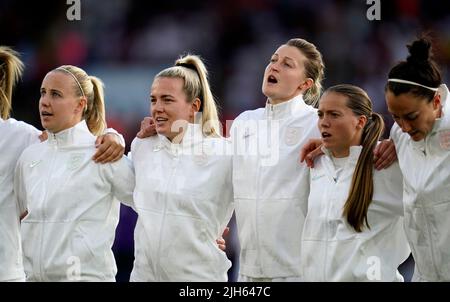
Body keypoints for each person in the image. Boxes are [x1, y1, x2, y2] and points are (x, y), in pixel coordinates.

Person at [0, 47, 124, 282]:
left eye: (55, 94)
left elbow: (67, 140)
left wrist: (112, 135)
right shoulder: (30, 154)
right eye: (43, 93)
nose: (45, 101)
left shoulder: (19, 137)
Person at [129, 54, 234, 281]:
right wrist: (111, 137)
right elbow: (119, 186)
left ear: (193, 107)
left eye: (167, 100)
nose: (157, 108)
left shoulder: (225, 154)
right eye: (153, 99)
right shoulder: (142, 146)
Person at [300, 84, 410, 281]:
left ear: (360, 121)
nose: (324, 122)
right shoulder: (315, 165)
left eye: (334, 115)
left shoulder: (387, 164)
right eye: (321, 115)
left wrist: (401, 144)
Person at [385, 36, 450, 281]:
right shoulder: (399, 136)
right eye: (395, 116)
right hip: (424, 275)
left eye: (411, 116)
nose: (403, 126)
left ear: (435, 101)